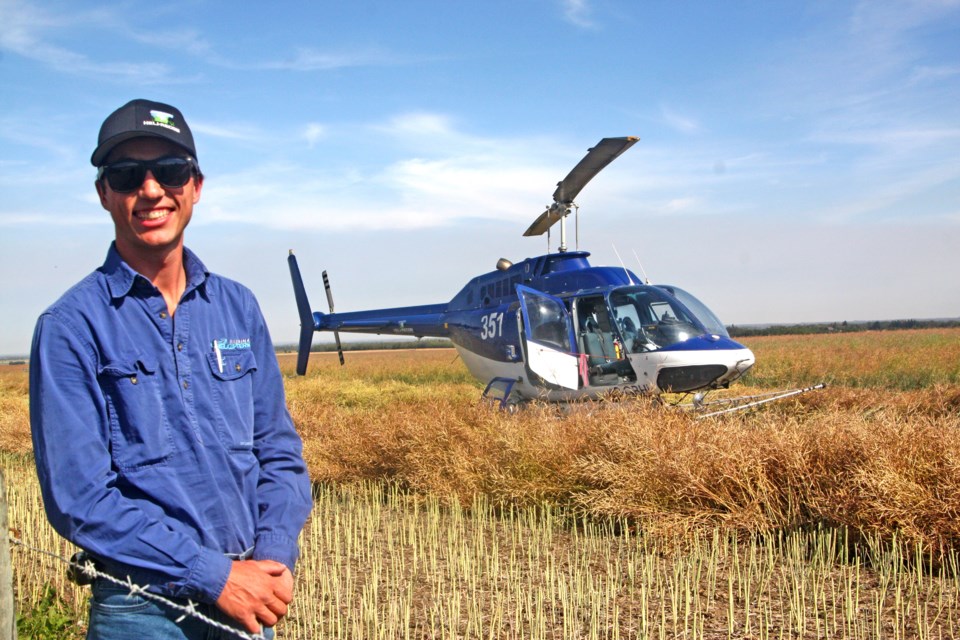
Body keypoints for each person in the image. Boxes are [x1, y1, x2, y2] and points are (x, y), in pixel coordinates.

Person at [29, 99, 313, 639]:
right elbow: (80, 499)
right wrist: (215, 576)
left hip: (250, 599)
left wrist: (272, 561)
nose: (152, 189)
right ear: (104, 194)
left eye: (172, 171)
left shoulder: (238, 307)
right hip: (142, 607)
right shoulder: (70, 325)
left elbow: (278, 450)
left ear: (196, 186)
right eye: (128, 174)